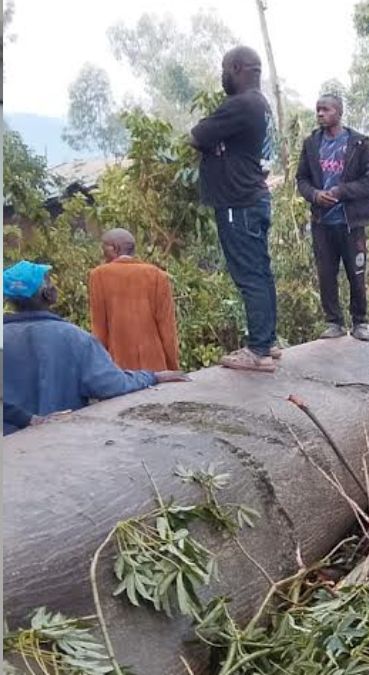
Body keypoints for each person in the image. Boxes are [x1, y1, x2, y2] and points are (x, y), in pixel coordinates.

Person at [3, 260, 188, 435]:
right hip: (61, 442)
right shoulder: (75, 338)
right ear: (48, 295)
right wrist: (153, 376)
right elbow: (110, 385)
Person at [189, 45, 279, 373]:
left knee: (249, 275)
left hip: (237, 203)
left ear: (238, 68)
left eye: (224, 68)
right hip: (251, 198)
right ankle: (267, 340)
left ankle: (258, 350)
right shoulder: (259, 103)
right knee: (261, 271)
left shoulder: (241, 104)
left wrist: (210, 146)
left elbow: (196, 136)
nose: (222, 75)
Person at [296, 93, 369, 342]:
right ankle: (333, 322)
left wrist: (341, 191)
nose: (320, 114)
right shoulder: (311, 144)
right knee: (326, 273)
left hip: (350, 223)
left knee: (356, 272)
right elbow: (301, 179)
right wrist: (314, 195)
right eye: (318, 109)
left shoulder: (359, 143)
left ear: (339, 112)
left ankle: (360, 321)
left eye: (326, 109)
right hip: (322, 223)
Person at [88, 228, 180, 371]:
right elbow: (167, 330)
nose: (102, 252)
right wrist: (173, 367)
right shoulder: (157, 276)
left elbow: (99, 331)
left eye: (104, 247)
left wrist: (100, 370)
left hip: (119, 370)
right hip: (155, 366)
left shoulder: (98, 276)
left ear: (114, 248)